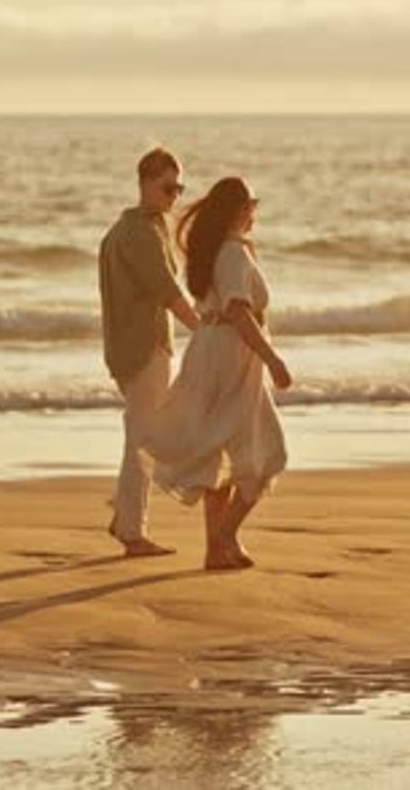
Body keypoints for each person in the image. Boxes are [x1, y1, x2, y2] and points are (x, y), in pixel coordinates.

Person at [142, 176, 292, 570]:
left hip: (208, 350)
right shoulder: (234, 254)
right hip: (233, 356)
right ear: (239, 210)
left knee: (220, 452)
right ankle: (225, 534)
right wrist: (272, 358)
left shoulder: (211, 252)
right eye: (251, 204)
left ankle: (217, 549)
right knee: (267, 453)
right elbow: (239, 312)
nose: (254, 212)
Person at [99, 147, 199, 557]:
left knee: (142, 434)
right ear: (144, 183)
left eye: (179, 188)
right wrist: (205, 331)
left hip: (128, 348)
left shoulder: (134, 227)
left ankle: (125, 514)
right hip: (144, 349)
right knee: (144, 438)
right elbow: (169, 292)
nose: (175, 196)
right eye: (167, 188)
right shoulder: (139, 233)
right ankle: (131, 531)